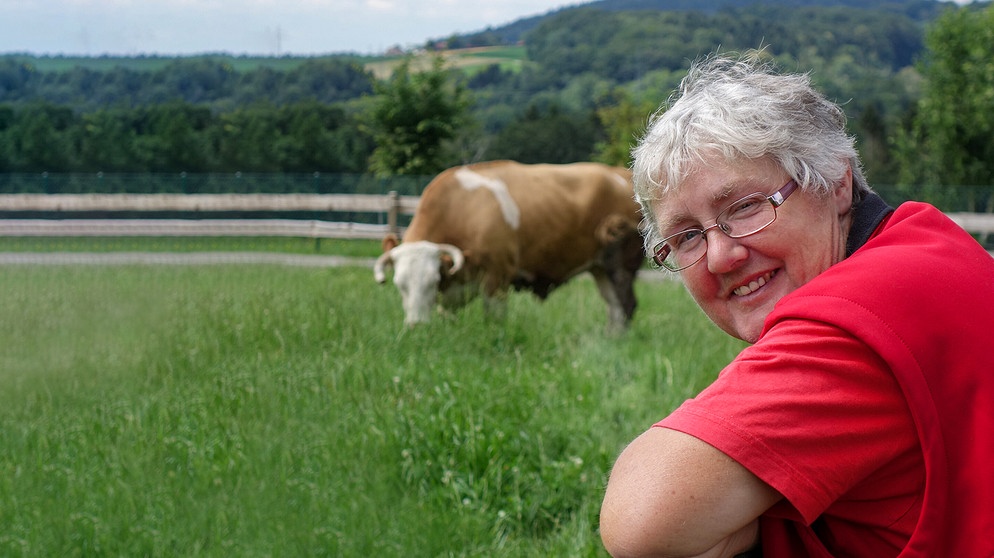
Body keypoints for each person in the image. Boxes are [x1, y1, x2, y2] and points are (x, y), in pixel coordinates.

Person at [599, 52, 994, 558]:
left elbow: (640, 522)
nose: (720, 256)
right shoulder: (926, 248)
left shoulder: (853, 322)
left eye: (745, 208)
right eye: (686, 237)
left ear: (836, 184)